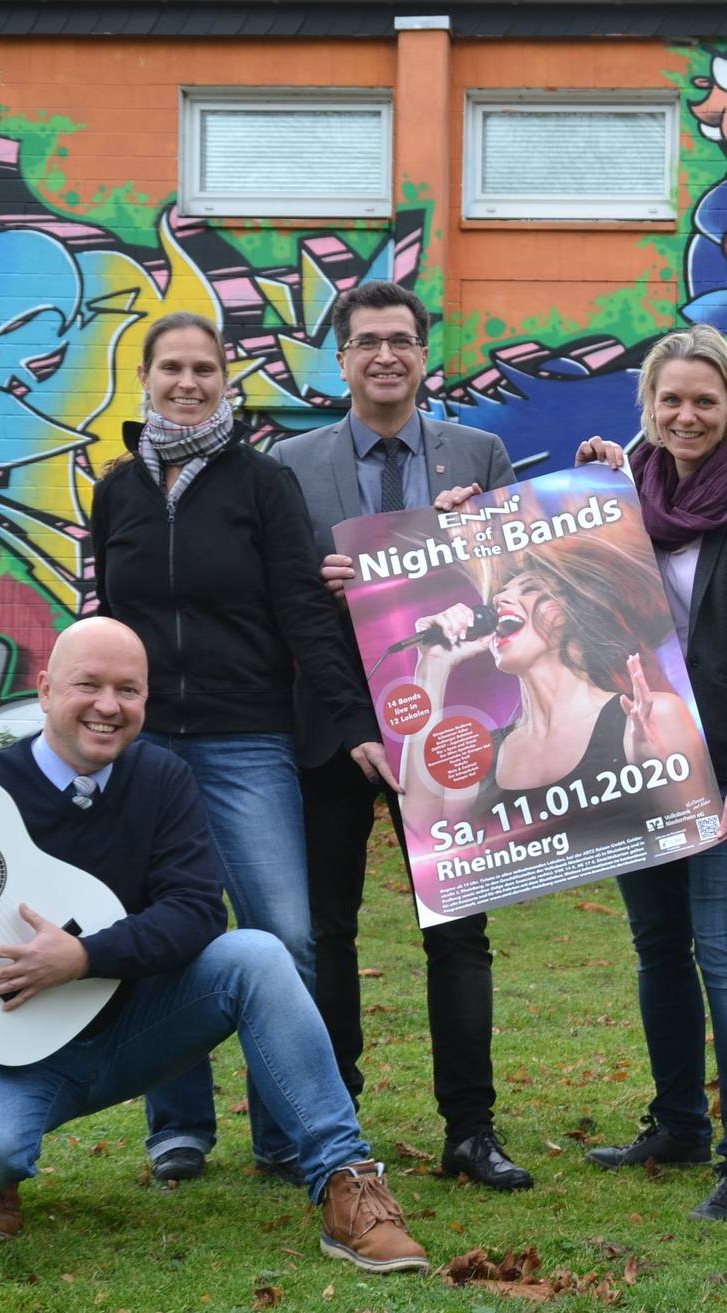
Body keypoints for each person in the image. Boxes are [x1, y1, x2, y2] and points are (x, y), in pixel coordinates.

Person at [0, 618, 428, 1272]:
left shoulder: (162, 779)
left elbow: (197, 909)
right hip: (9, 1047)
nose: (108, 705)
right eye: (87, 684)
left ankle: (348, 1182)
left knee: (256, 955)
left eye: (128, 689)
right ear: (43, 689)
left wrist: (83, 957)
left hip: (135, 1028)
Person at [88, 310, 393, 1187]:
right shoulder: (117, 490)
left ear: (228, 381)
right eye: (171, 368)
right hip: (142, 752)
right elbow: (106, 620)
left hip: (247, 741)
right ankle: (178, 1124)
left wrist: (352, 722)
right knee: (158, 934)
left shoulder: (260, 483)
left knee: (285, 938)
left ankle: (286, 1128)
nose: (188, 382)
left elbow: (303, 608)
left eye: (204, 369)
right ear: (144, 379)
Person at [270, 280, 532, 1191]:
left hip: (450, 721)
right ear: (339, 359)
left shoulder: (481, 453)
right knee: (326, 929)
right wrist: (321, 577)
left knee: (457, 928)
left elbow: (515, 587)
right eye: (367, 341)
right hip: (336, 725)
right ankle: (331, 1123)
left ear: (425, 355)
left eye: (402, 341)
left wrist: (477, 542)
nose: (386, 355)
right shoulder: (293, 465)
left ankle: (471, 1129)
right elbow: (278, 599)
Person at [573, 324, 727, 1222]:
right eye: (670, 399)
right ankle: (678, 1125)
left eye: (705, 398)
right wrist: (586, 488)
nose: (687, 413)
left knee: (724, 954)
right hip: (640, 754)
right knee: (657, 948)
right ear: (649, 408)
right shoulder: (620, 489)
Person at [397, 528, 712, 837]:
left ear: (576, 610)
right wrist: (433, 665)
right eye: (501, 594)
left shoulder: (651, 717)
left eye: (531, 588)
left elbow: (701, 833)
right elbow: (421, 828)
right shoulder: (484, 752)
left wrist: (656, 773)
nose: (501, 598)